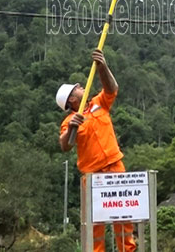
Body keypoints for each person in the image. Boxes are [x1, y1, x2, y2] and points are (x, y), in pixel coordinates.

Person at [57, 49, 136, 252]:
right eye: (78, 89)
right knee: (95, 221)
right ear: (72, 100)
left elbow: (112, 88)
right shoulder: (68, 121)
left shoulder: (98, 104)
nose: (82, 88)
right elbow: (65, 145)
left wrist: (102, 66)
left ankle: (128, 250)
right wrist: (72, 128)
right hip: (92, 176)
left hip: (114, 166)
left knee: (124, 214)